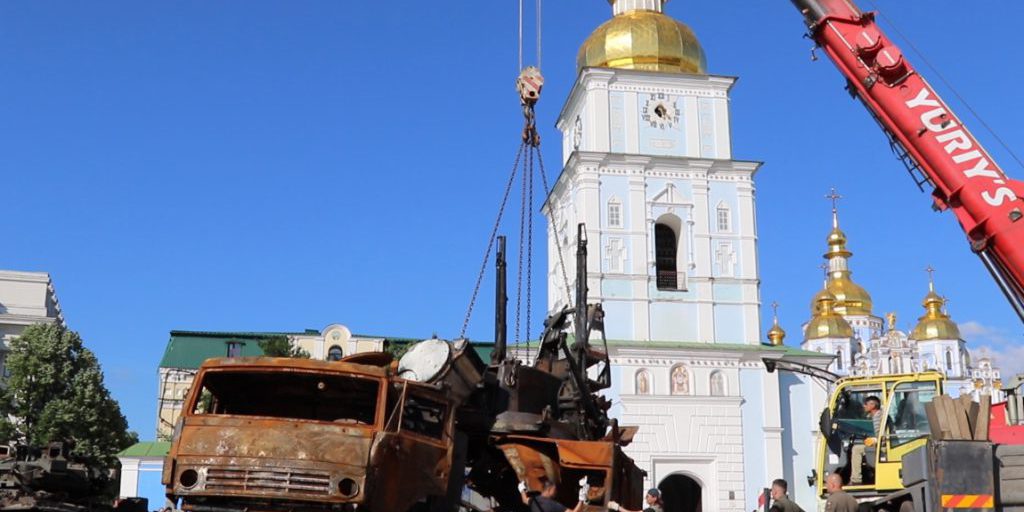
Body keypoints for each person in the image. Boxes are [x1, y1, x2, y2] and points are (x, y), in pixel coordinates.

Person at [850, 395, 883, 484]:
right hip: (881, 443)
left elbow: (880, 435)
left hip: (883, 446)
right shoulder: (876, 415)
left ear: (872, 405)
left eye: (866, 404)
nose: (864, 406)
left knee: (856, 449)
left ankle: (856, 479)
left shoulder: (877, 416)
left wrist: (874, 440)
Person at [518, 480, 586, 512]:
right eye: (554, 490)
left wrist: (522, 489)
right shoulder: (552, 504)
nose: (556, 492)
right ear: (549, 489)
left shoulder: (534, 500)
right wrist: (581, 499)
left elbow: (524, 500)